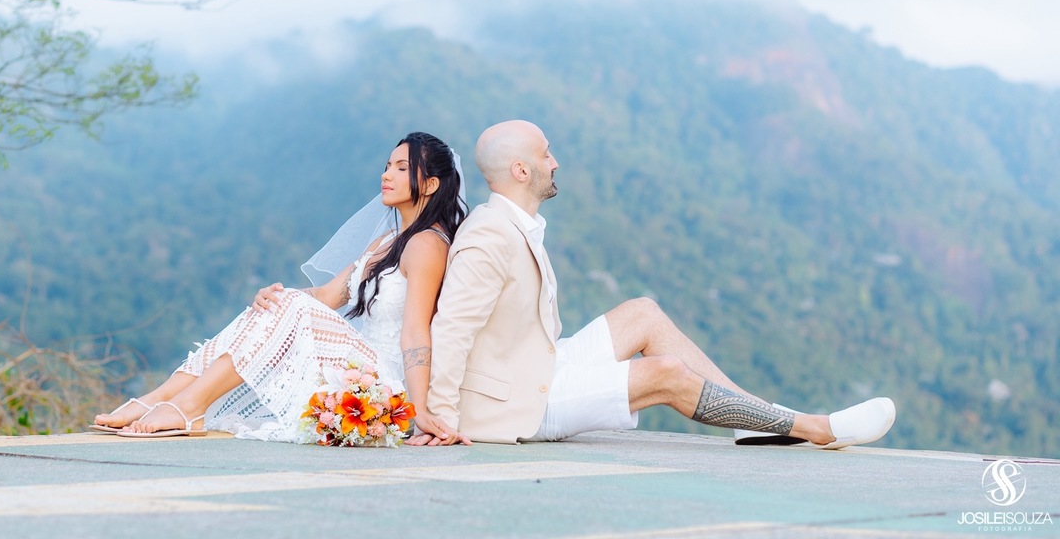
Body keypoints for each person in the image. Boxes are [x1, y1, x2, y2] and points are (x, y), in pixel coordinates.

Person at [411, 120, 896, 448]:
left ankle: (751, 421)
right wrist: (441, 417)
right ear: (521, 170)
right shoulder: (489, 234)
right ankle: (813, 429)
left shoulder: (514, 224)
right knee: (666, 373)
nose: (555, 162)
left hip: (542, 363)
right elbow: (452, 327)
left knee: (642, 312)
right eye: (546, 154)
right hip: (517, 403)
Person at [91, 132, 467, 441]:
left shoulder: (427, 245)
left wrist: (420, 411)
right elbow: (324, 297)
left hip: (386, 378)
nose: (387, 175)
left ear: (431, 183)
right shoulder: (386, 241)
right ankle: (158, 398)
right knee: (279, 301)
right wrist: (273, 296)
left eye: (402, 168)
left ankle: (189, 407)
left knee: (291, 305)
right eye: (387, 166)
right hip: (355, 365)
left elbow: (417, 332)